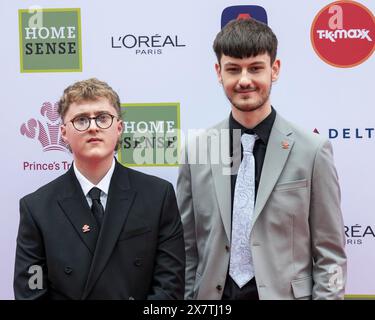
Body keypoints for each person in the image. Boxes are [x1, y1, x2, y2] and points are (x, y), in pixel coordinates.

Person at [177, 18, 346, 300]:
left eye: (255, 68)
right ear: (219, 73)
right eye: (233, 69)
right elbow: (186, 249)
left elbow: (330, 254)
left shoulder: (312, 151)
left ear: (274, 70)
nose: (244, 80)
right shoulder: (198, 151)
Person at [14, 78, 185, 300]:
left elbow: (170, 285)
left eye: (103, 118)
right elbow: (31, 290)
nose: (93, 126)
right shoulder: (36, 208)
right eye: (81, 120)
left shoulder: (157, 195)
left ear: (119, 128)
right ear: (64, 132)